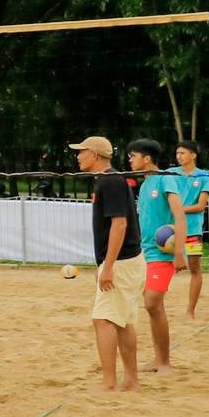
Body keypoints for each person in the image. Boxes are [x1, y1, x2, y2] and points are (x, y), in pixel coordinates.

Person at [73, 136, 141, 392]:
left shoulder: (109, 181)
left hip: (122, 261)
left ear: (94, 155)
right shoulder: (108, 179)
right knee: (123, 321)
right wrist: (103, 265)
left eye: (82, 152)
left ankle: (109, 383)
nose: (78, 156)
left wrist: (109, 266)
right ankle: (130, 380)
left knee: (103, 320)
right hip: (126, 260)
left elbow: (119, 224)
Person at [128, 138, 188, 374]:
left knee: (152, 302)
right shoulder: (144, 185)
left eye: (133, 156)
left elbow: (180, 216)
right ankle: (158, 359)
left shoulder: (165, 179)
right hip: (145, 252)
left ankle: (164, 363)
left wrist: (179, 252)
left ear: (147, 158)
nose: (130, 160)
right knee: (152, 306)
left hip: (163, 253)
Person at [169, 141, 209, 319]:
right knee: (161, 263)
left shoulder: (204, 176)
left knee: (194, 267)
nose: (179, 156)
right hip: (170, 229)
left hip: (193, 230)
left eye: (182, 153)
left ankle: (190, 310)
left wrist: (178, 209)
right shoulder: (170, 173)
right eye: (177, 153)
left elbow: (200, 206)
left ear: (193, 155)